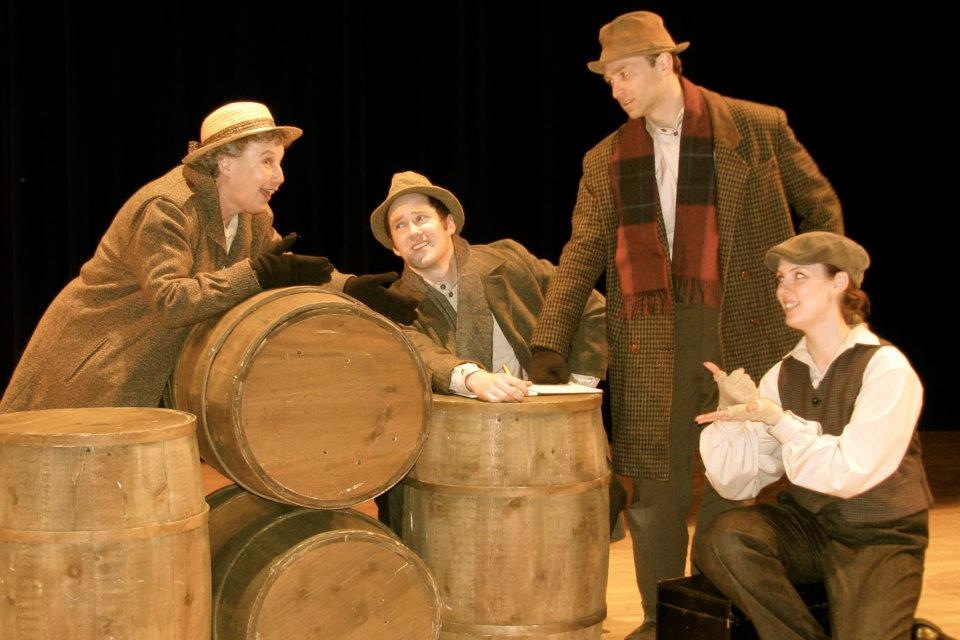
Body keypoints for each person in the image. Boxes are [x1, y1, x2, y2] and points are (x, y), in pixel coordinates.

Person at [526, 11, 844, 638]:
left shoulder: (756, 128)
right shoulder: (606, 158)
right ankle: (660, 618)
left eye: (625, 73)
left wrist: (816, 291)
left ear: (665, 62)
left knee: (736, 473)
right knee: (654, 487)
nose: (616, 89)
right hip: (650, 336)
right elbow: (583, 250)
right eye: (609, 79)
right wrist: (548, 339)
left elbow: (820, 206)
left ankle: (712, 609)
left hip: (746, 326)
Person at [1, 101, 416, 412]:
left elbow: (286, 268)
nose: (279, 176)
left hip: (141, 374)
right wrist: (257, 274)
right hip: (91, 366)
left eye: (279, 162)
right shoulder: (166, 208)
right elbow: (172, 301)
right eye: (266, 161)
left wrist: (350, 288)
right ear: (224, 161)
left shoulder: (252, 218)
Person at [694, 231, 933, 640]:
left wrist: (780, 422)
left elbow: (849, 472)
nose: (783, 290)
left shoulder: (886, 367)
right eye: (780, 279)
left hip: (880, 534)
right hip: (813, 527)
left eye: (799, 277)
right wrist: (733, 416)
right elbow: (737, 484)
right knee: (724, 538)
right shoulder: (783, 374)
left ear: (839, 282)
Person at [368, 170, 610, 531]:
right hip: (454, 465)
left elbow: (590, 305)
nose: (413, 231)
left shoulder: (508, 262)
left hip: (547, 446)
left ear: (449, 224)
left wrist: (577, 386)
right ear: (394, 246)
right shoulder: (393, 305)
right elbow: (418, 352)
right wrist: (470, 377)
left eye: (421, 218)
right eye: (400, 225)